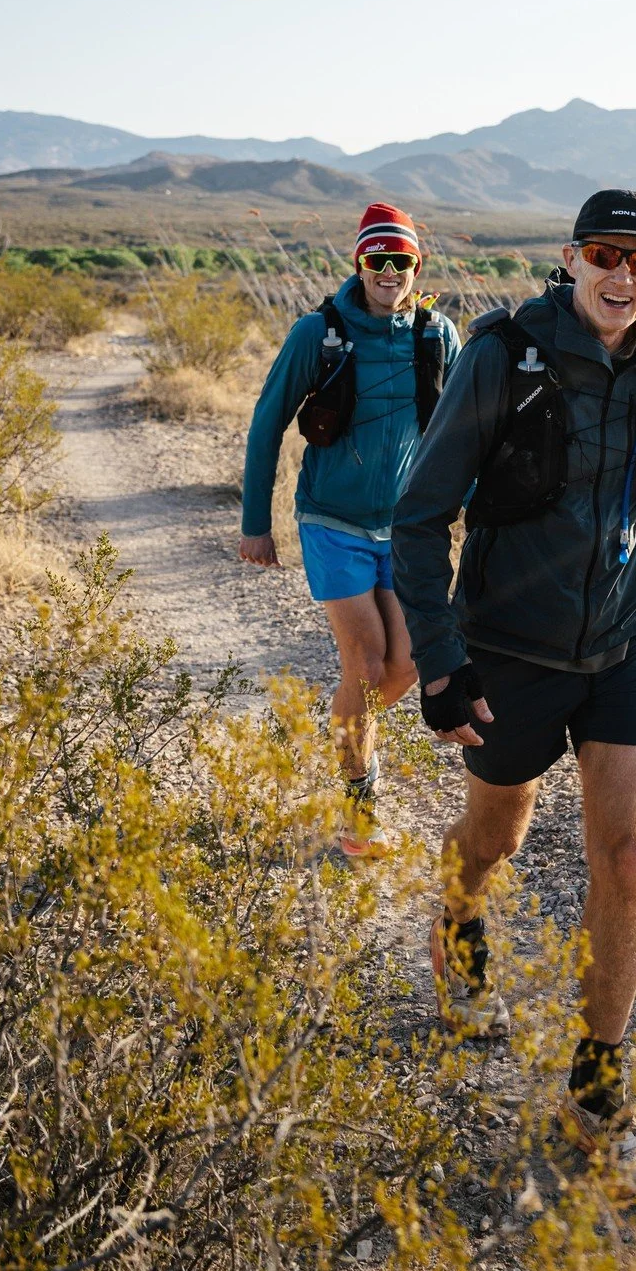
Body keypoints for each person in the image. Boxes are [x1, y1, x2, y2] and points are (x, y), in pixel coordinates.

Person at [392, 189, 636, 1188]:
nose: (623, 276)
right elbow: (421, 515)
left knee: (629, 854)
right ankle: (457, 917)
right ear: (570, 258)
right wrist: (440, 660)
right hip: (511, 648)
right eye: (606, 255)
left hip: (626, 649)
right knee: (496, 839)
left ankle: (594, 1096)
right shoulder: (502, 356)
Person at [240, 203, 460, 853]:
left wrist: (475, 514)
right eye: (377, 259)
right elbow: (265, 422)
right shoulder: (319, 334)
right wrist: (257, 525)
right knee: (365, 664)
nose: (389, 271)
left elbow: (460, 436)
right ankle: (359, 809)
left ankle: (343, 725)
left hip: (407, 527)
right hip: (331, 522)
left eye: (402, 261)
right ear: (359, 263)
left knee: (408, 664)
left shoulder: (435, 336)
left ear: (418, 267)